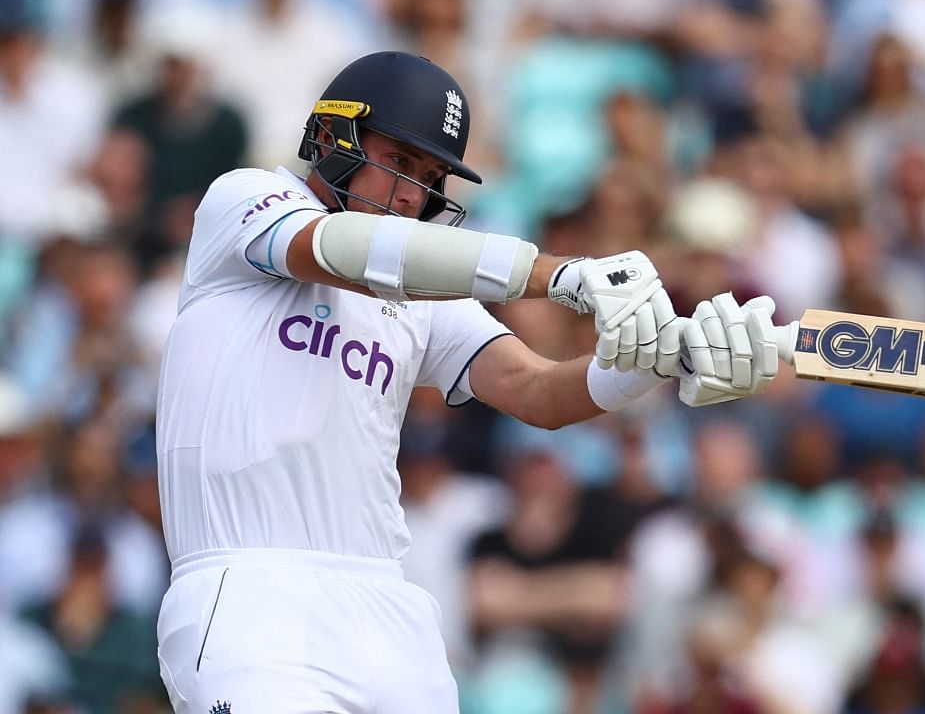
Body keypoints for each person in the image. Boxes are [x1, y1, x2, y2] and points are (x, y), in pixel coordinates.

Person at [153, 51, 780, 713]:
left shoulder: (420, 293)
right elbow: (347, 251)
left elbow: (538, 392)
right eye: (399, 160)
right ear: (336, 138)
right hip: (250, 599)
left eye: (427, 178)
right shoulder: (245, 201)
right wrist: (559, 274)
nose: (409, 194)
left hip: (387, 611)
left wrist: (655, 361)